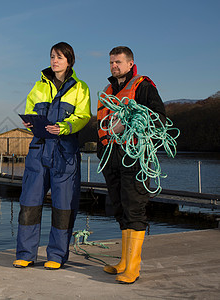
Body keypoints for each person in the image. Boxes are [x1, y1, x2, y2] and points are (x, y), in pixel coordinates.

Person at [13, 42, 91, 270]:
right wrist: (29, 124)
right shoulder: (38, 87)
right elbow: (29, 112)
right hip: (38, 152)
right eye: (52, 56)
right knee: (29, 204)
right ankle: (26, 254)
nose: (54, 60)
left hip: (64, 153)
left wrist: (65, 127)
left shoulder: (80, 88)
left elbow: (83, 116)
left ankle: (56, 256)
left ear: (69, 61)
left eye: (59, 57)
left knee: (63, 207)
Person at [97, 46, 166, 284]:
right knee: (120, 208)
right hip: (111, 158)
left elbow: (159, 119)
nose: (114, 66)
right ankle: (123, 262)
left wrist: (126, 126)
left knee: (135, 208)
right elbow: (102, 126)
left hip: (134, 157)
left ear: (130, 63)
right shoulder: (108, 90)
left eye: (118, 62)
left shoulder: (143, 86)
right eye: (111, 63)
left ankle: (133, 268)